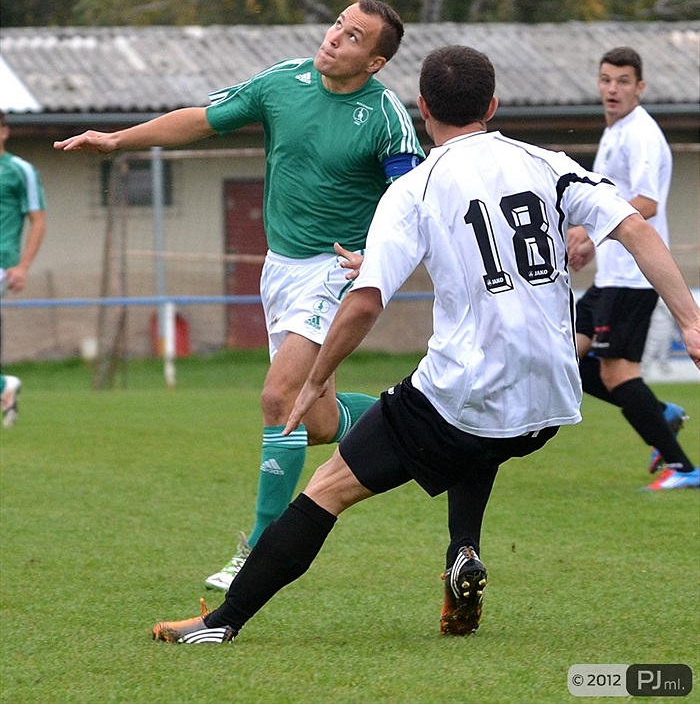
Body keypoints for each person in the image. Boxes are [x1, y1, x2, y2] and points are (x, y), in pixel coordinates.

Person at [151, 45, 700, 644]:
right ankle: (463, 552)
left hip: (468, 385)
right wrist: (692, 324)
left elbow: (363, 303)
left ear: (422, 108)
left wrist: (315, 380)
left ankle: (219, 623)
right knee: (479, 437)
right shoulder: (547, 162)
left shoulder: (415, 187)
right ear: (491, 105)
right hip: (551, 392)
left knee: (329, 489)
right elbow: (636, 229)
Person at [54, 0, 425, 586]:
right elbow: (201, 119)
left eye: (353, 37)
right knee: (318, 420)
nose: (334, 39)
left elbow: (412, 199)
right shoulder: (284, 81)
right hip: (279, 269)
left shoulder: (385, 116)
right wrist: (117, 140)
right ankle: (410, 421)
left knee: (279, 399)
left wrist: (378, 255)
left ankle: (258, 549)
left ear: (375, 62)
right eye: (337, 25)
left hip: (337, 271)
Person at [567, 46, 699, 490]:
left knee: (617, 373)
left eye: (623, 81)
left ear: (639, 87)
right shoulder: (615, 132)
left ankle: (683, 468)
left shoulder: (641, 133)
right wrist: (589, 240)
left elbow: (645, 201)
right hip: (610, 275)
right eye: (606, 79)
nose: (612, 89)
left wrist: (587, 233)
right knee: (564, 359)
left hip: (633, 276)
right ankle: (657, 412)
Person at [0, 110, 47, 428]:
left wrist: (23, 266)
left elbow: (38, 219)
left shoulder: (20, 170)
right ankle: (5, 387)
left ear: (4, 132)